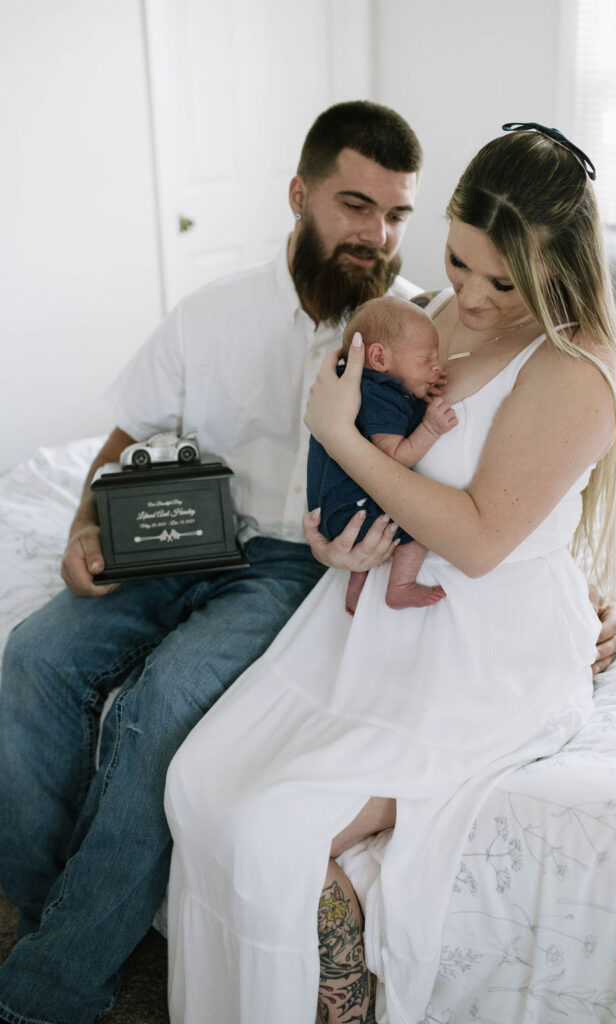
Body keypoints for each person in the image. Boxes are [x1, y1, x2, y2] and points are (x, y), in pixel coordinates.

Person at [163, 123, 616, 1024]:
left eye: (507, 281)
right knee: (197, 782)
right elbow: (378, 470)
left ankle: (313, 994)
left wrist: (338, 432)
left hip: (480, 651)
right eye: (459, 263)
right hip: (371, 616)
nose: (474, 297)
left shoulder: (576, 368)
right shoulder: (427, 313)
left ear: (559, 271)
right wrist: (339, 538)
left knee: (270, 831)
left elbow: (481, 539)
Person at [0, 100, 425, 1024]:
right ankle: (55, 917)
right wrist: (84, 541)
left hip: (288, 569)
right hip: (177, 537)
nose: (377, 235)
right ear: (298, 194)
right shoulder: (212, 312)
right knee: (29, 662)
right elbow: (126, 436)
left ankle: (49, 991)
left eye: (396, 214)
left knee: (164, 704)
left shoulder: (413, 330)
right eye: (356, 206)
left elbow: (481, 474)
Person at [307, 295, 457, 614]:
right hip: (351, 513)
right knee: (427, 525)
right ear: (378, 357)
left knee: (381, 527)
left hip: (341, 511)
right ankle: (399, 587)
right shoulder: (380, 394)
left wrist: (421, 386)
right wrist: (430, 428)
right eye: (426, 358)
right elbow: (389, 461)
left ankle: (356, 589)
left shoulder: (358, 384)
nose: (436, 366)